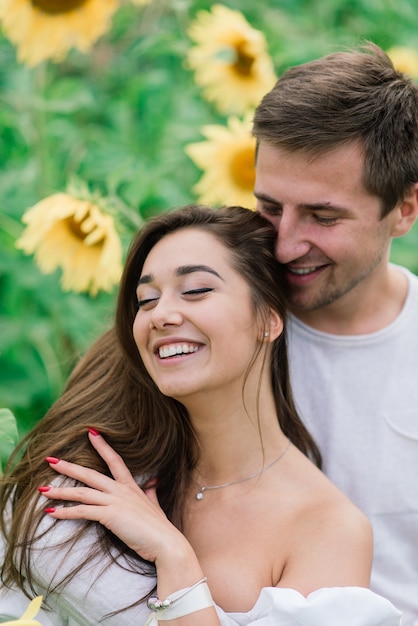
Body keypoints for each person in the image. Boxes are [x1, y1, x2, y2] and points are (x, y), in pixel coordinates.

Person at [0, 205, 400, 625]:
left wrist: (174, 559)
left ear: (267, 319)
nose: (161, 315)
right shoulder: (106, 456)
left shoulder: (328, 530)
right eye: (146, 299)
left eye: (195, 291)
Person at [252, 42, 418, 625]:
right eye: (269, 207)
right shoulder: (207, 330)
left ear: (404, 208)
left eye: (323, 217)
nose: (283, 245)